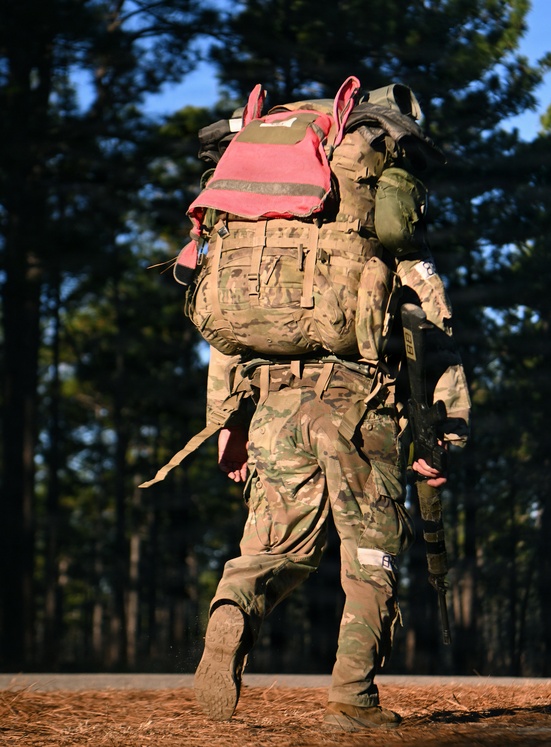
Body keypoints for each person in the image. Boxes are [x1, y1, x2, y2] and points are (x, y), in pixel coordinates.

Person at [185, 81, 471, 732]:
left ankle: (233, 605)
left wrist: (225, 422)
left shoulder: (265, 236)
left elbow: (228, 339)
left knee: (273, 545)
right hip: (356, 400)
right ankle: (352, 699)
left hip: (273, 398)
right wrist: (440, 437)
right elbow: (436, 341)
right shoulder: (392, 251)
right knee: (370, 554)